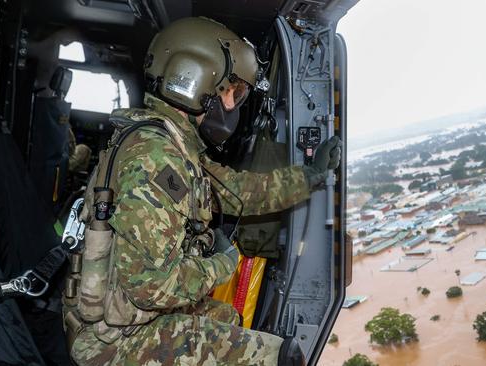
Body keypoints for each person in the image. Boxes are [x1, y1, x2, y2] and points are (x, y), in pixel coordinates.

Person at [65, 17, 340, 365]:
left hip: (129, 315)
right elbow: (150, 288)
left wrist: (311, 175)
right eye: (234, 91)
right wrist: (222, 264)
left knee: (228, 319)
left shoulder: (173, 146)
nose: (235, 105)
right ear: (196, 81)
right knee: (278, 358)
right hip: (110, 340)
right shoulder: (156, 159)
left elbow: (241, 190)